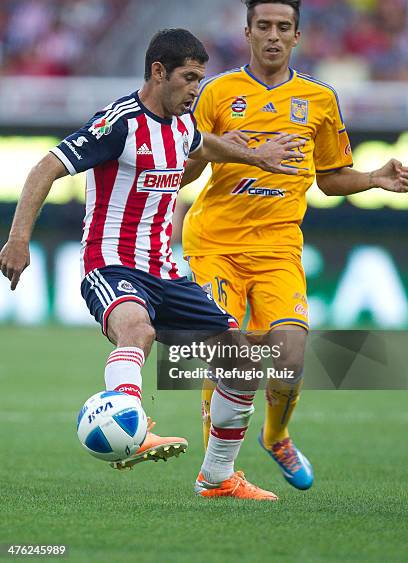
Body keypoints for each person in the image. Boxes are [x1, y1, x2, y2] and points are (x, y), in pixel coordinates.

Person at [0, 28, 307, 500]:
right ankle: (131, 426)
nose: (195, 90)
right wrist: (19, 239)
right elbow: (47, 167)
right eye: (189, 78)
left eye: (201, 80)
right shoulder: (119, 122)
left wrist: (256, 156)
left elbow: (204, 144)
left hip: (165, 271)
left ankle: (218, 477)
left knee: (241, 364)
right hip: (111, 264)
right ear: (158, 72)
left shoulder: (183, 123)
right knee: (136, 329)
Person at [181, 0, 408, 491]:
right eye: (264, 26)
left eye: (284, 27)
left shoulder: (319, 99)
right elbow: (187, 165)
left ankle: (276, 434)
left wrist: (373, 177)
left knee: (287, 357)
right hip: (215, 244)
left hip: (278, 248)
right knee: (229, 352)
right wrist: (217, 146)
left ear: (298, 36)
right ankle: (218, 471)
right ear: (247, 31)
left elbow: (329, 180)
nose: (273, 36)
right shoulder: (218, 92)